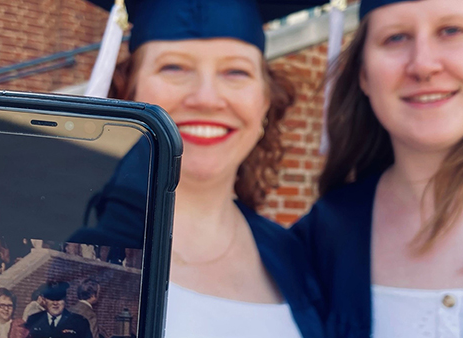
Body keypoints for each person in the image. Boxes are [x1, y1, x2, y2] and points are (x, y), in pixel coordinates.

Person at [77, 0, 324, 336]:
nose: (206, 98)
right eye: (174, 68)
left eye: (236, 72)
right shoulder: (79, 255)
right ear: (127, 92)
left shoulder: (297, 257)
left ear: (265, 101)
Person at [292, 0, 463, 337]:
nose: (423, 65)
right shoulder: (319, 242)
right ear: (364, 75)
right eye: (395, 38)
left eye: (451, 30)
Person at [25, 282, 92, 338]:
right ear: (44, 300)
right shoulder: (34, 319)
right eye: (51, 299)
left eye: (59, 299)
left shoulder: (79, 322)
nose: (55, 303)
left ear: (65, 300)